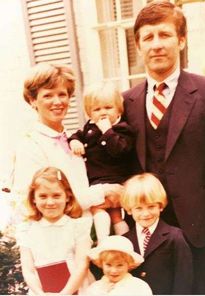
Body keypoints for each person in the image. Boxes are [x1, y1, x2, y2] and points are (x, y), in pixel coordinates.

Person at [122, 1, 205, 294]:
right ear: (138, 45)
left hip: (198, 228)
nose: (156, 45)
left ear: (181, 40)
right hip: (147, 229)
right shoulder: (127, 101)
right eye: (148, 37)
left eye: (165, 35)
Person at [12, 63, 122, 215]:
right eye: (48, 95)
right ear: (33, 100)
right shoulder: (31, 146)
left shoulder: (76, 139)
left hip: (93, 229)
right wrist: (103, 191)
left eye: (62, 94)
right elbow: (36, 204)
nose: (57, 102)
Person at [68, 81, 135, 241]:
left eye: (108, 107)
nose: (102, 113)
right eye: (97, 109)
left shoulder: (123, 129)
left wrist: (107, 131)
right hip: (95, 181)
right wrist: (74, 141)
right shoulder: (89, 128)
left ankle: (124, 241)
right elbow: (77, 134)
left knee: (114, 214)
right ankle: (103, 240)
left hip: (114, 180)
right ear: (89, 113)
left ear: (119, 108)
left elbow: (119, 150)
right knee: (99, 210)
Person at [16, 167, 94, 295]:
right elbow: (28, 270)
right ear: (33, 198)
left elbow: (82, 265)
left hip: (76, 289)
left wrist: (65, 294)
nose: (50, 202)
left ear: (67, 196)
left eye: (56, 195)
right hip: (41, 291)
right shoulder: (26, 230)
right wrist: (40, 294)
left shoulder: (78, 227)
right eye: (43, 196)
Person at [121, 172, 193, 295]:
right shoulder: (124, 241)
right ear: (129, 209)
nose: (146, 214)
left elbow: (184, 279)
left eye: (151, 207)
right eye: (138, 208)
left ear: (160, 206)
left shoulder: (175, 237)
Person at [84, 235, 153, 296]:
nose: (114, 271)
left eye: (120, 265)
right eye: (108, 265)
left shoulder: (139, 287)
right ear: (101, 264)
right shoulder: (94, 288)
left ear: (129, 264)